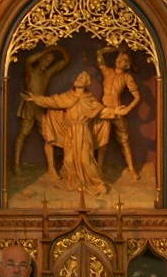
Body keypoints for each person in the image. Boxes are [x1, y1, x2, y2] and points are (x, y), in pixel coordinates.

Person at [25, 69, 113, 197]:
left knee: (86, 161)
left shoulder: (89, 99)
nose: (78, 79)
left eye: (82, 78)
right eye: (78, 77)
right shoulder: (67, 96)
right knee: (69, 160)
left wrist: (117, 111)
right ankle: (74, 182)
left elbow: (102, 111)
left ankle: (96, 184)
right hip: (70, 132)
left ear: (87, 83)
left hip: (83, 132)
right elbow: (52, 101)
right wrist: (35, 98)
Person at [13, 44, 70, 171]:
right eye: (45, 60)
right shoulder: (31, 72)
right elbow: (29, 61)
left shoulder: (47, 74)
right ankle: (16, 164)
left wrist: (59, 48)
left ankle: (52, 166)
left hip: (40, 107)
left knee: (48, 135)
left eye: (49, 62)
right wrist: (48, 50)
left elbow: (66, 61)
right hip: (29, 106)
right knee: (23, 134)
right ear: (40, 59)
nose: (46, 64)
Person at [94, 46, 142, 180]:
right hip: (104, 110)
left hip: (117, 110)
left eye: (125, 60)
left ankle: (131, 169)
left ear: (128, 65)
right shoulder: (107, 71)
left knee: (124, 141)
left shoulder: (127, 77)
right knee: (102, 141)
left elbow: (137, 97)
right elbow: (99, 54)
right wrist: (113, 48)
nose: (121, 61)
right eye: (120, 58)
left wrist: (128, 109)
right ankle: (99, 168)